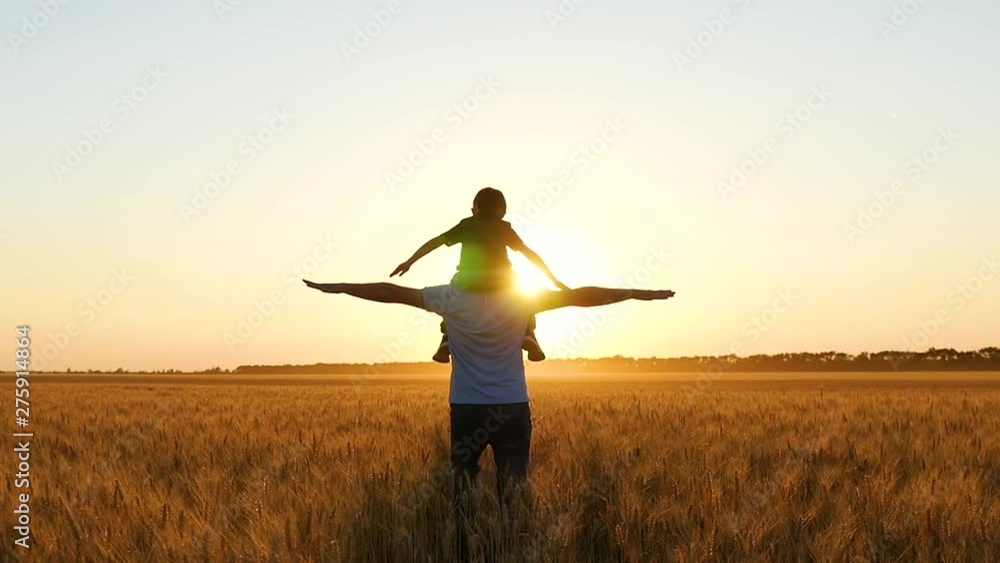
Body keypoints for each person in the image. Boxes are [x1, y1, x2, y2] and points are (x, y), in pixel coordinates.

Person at [303, 278, 675, 560]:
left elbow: (390, 292)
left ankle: (465, 551)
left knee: (462, 485)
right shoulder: (521, 299)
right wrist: (635, 293)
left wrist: (339, 287)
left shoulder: (450, 296)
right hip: (512, 405)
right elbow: (581, 295)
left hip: (466, 407)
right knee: (512, 489)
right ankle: (508, 549)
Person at [390, 187, 569, 364]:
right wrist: (553, 278)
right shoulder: (504, 228)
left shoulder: (467, 225)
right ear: (502, 211)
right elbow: (528, 253)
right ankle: (529, 334)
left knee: (448, 295)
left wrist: (410, 261)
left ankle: (446, 338)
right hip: (503, 281)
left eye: (473, 207)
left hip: (468, 281)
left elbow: (435, 243)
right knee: (525, 295)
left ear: (476, 210)